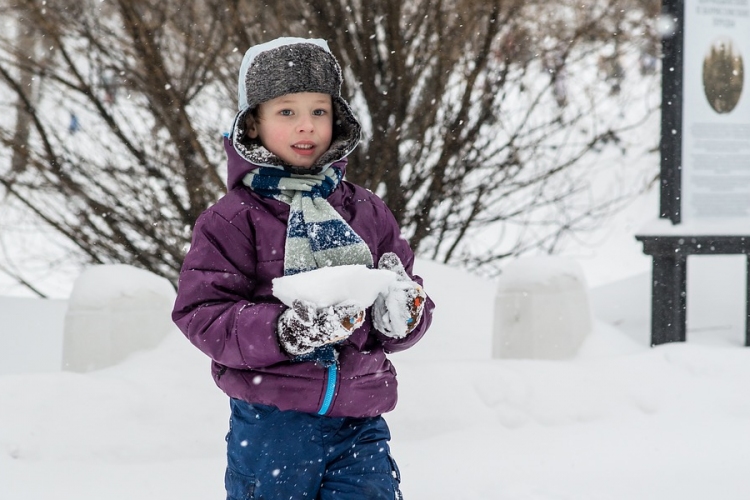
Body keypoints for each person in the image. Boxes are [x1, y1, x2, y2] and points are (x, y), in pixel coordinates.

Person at [172, 37, 434, 500]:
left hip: (359, 418)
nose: (306, 126)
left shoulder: (366, 212)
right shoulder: (232, 219)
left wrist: (404, 315)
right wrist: (284, 331)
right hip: (273, 423)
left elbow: (407, 293)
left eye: (319, 111)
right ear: (252, 125)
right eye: (286, 112)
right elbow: (202, 312)